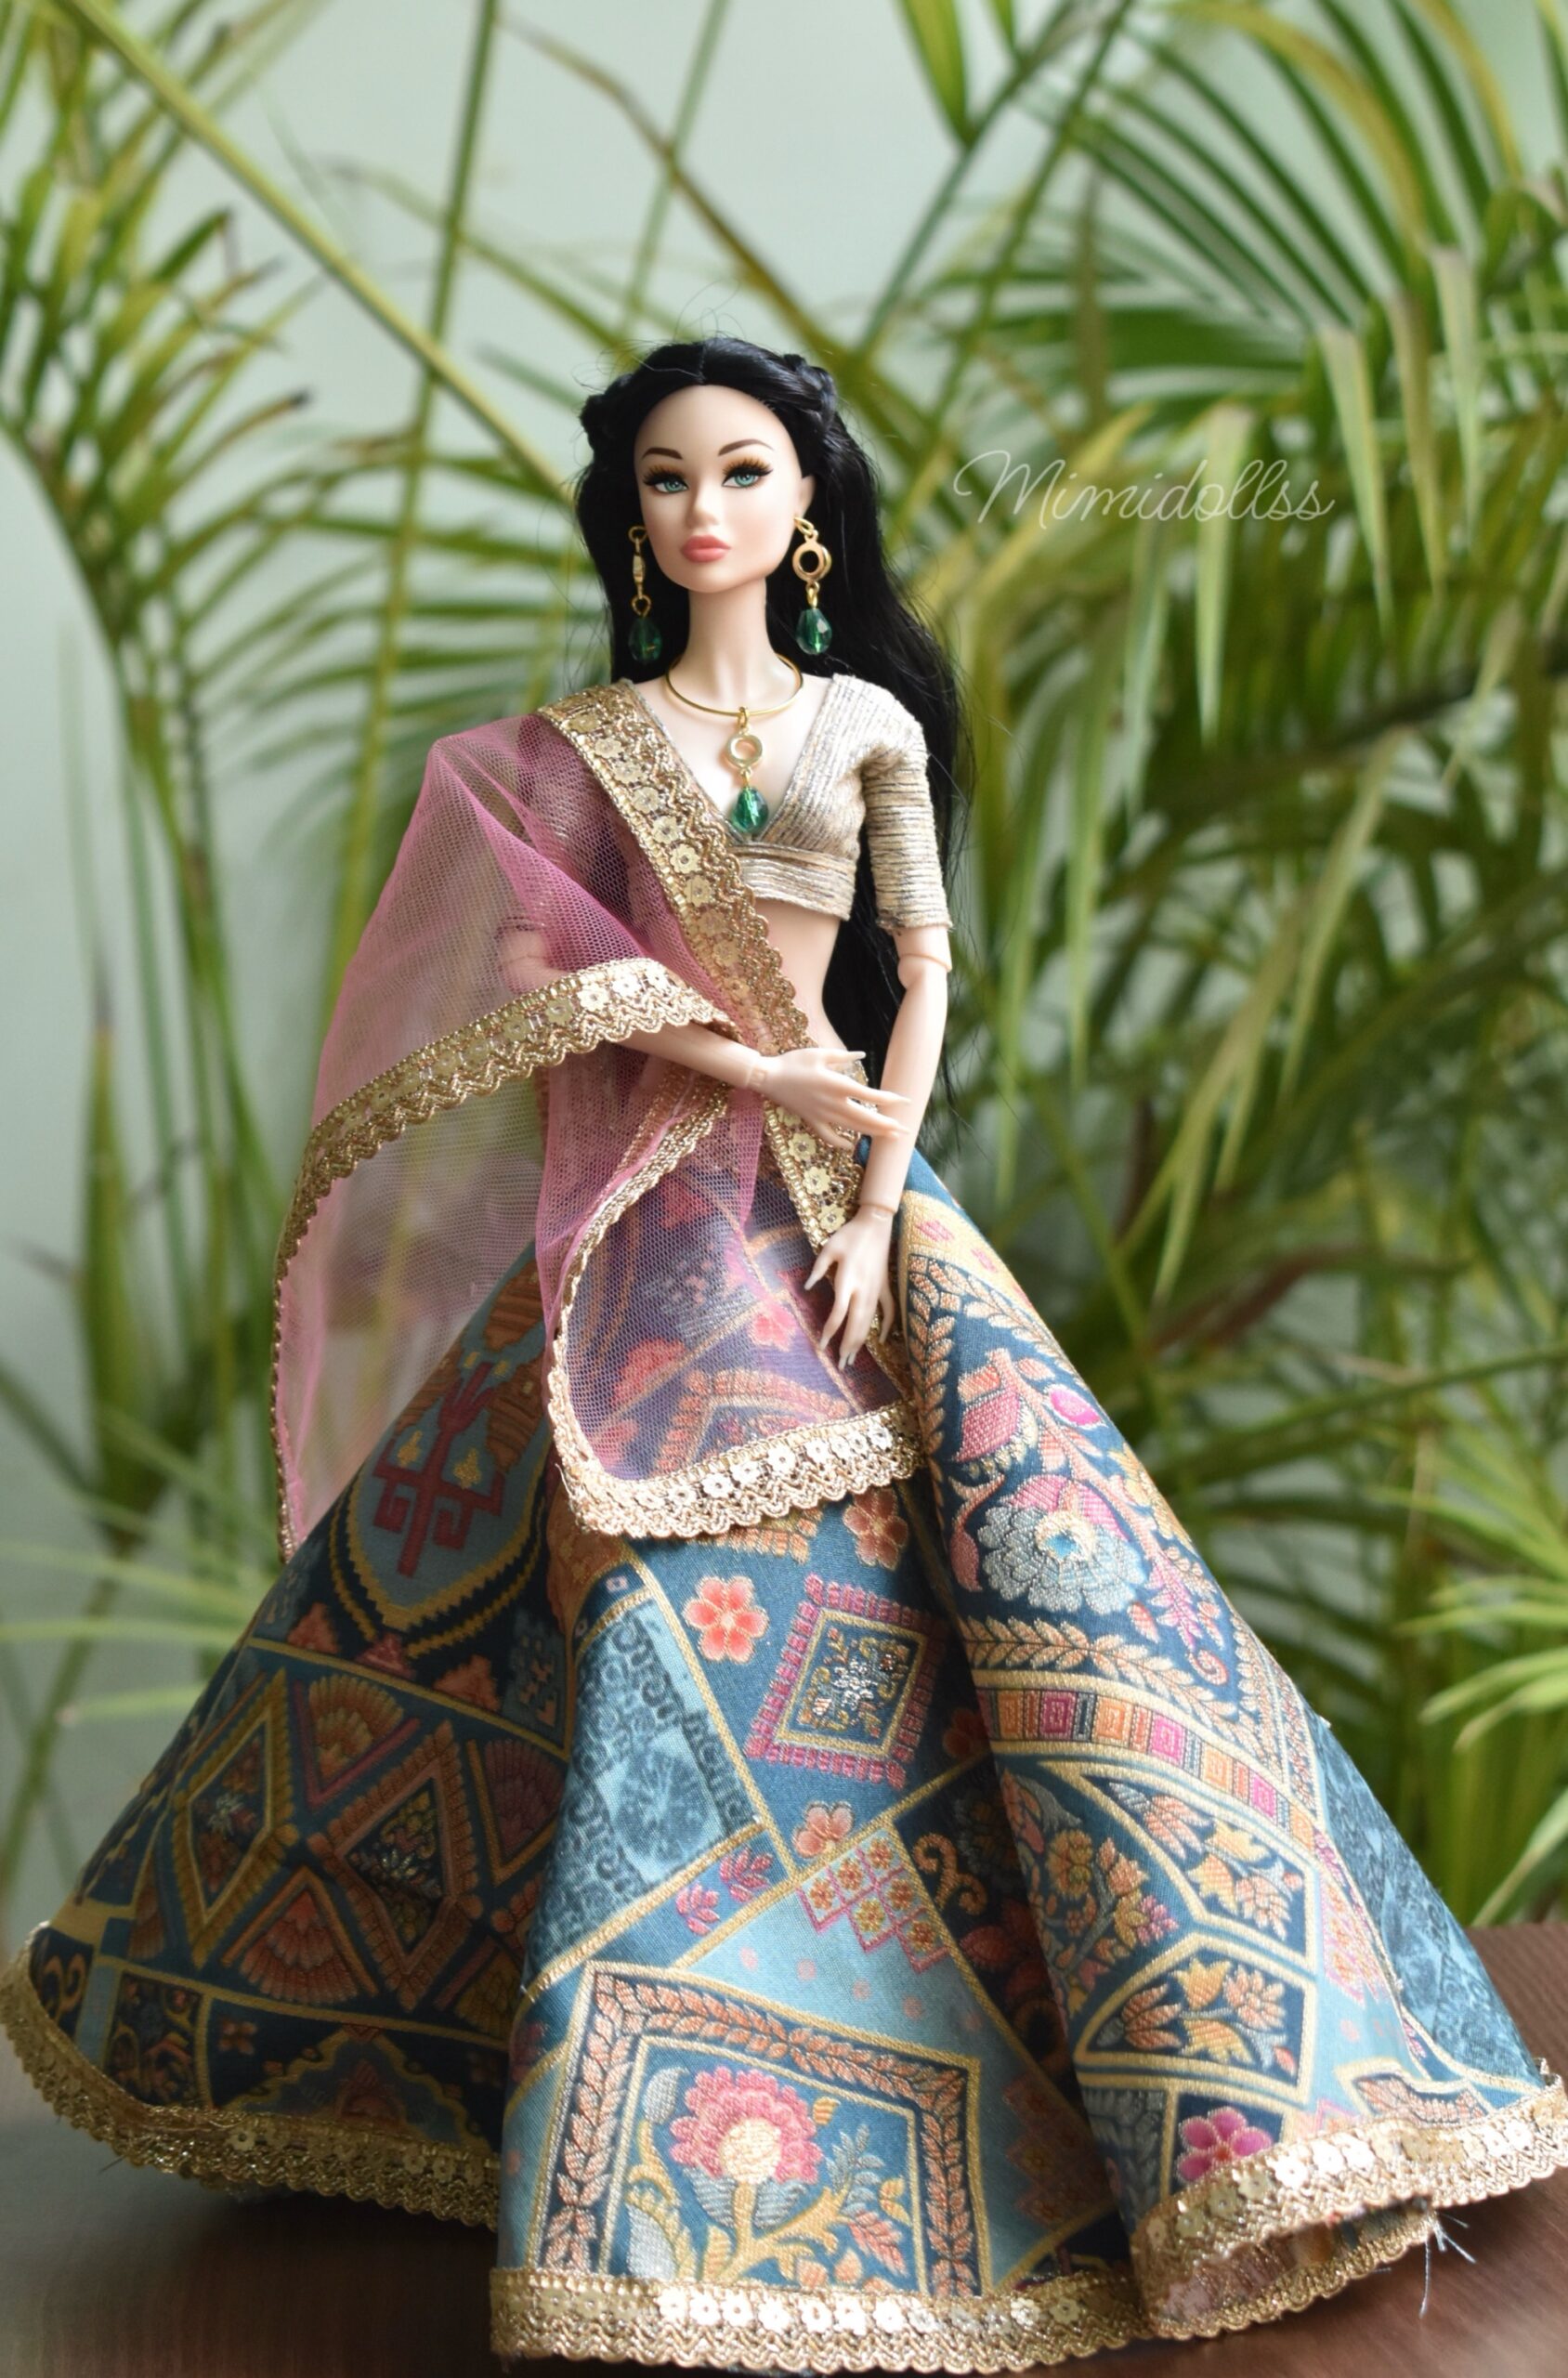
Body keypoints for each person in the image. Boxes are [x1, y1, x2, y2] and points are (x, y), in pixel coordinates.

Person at [3, 336, 1564, 2373]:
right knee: (592, 1594)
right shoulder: (582, 746)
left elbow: (927, 967)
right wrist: (755, 1069)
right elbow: (533, 973)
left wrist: (881, 1177)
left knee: (1039, 1585)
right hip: (661, 1211)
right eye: (666, 480)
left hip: (852, 1207)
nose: (703, 510)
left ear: (806, 503)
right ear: (630, 517)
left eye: (741, 472)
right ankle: (550, 2078)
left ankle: (1108, 2074)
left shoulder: (863, 727)